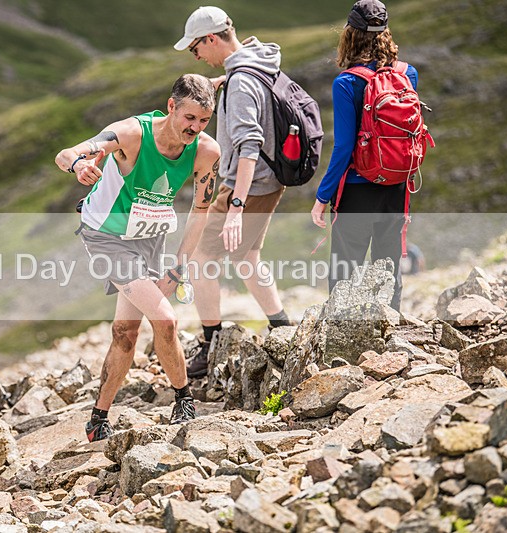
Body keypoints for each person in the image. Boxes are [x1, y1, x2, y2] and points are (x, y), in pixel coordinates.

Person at [55, 74, 221, 442]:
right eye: (189, 118)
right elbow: (65, 153)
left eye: (203, 121)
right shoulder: (131, 134)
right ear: (172, 107)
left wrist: (181, 262)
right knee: (165, 319)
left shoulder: (207, 152)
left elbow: (202, 208)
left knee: (125, 332)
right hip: (107, 237)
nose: (194, 128)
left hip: (150, 237)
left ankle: (98, 418)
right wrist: (78, 167)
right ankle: (183, 399)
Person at [173, 6, 292, 378]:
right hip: (268, 181)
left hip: (247, 184)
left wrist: (236, 204)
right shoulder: (259, 60)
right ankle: (283, 328)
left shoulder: (241, 81)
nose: (196, 57)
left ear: (211, 38)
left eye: (196, 48)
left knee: (200, 261)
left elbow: (249, 144)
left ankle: (211, 344)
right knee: (246, 258)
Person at [310, 0, 418, 310]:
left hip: (358, 189)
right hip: (397, 184)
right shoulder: (407, 73)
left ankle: (339, 339)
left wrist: (322, 196)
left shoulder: (347, 82)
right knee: (388, 265)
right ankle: (391, 329)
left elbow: (344, 148)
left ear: (350, 34)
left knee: (345, 270)